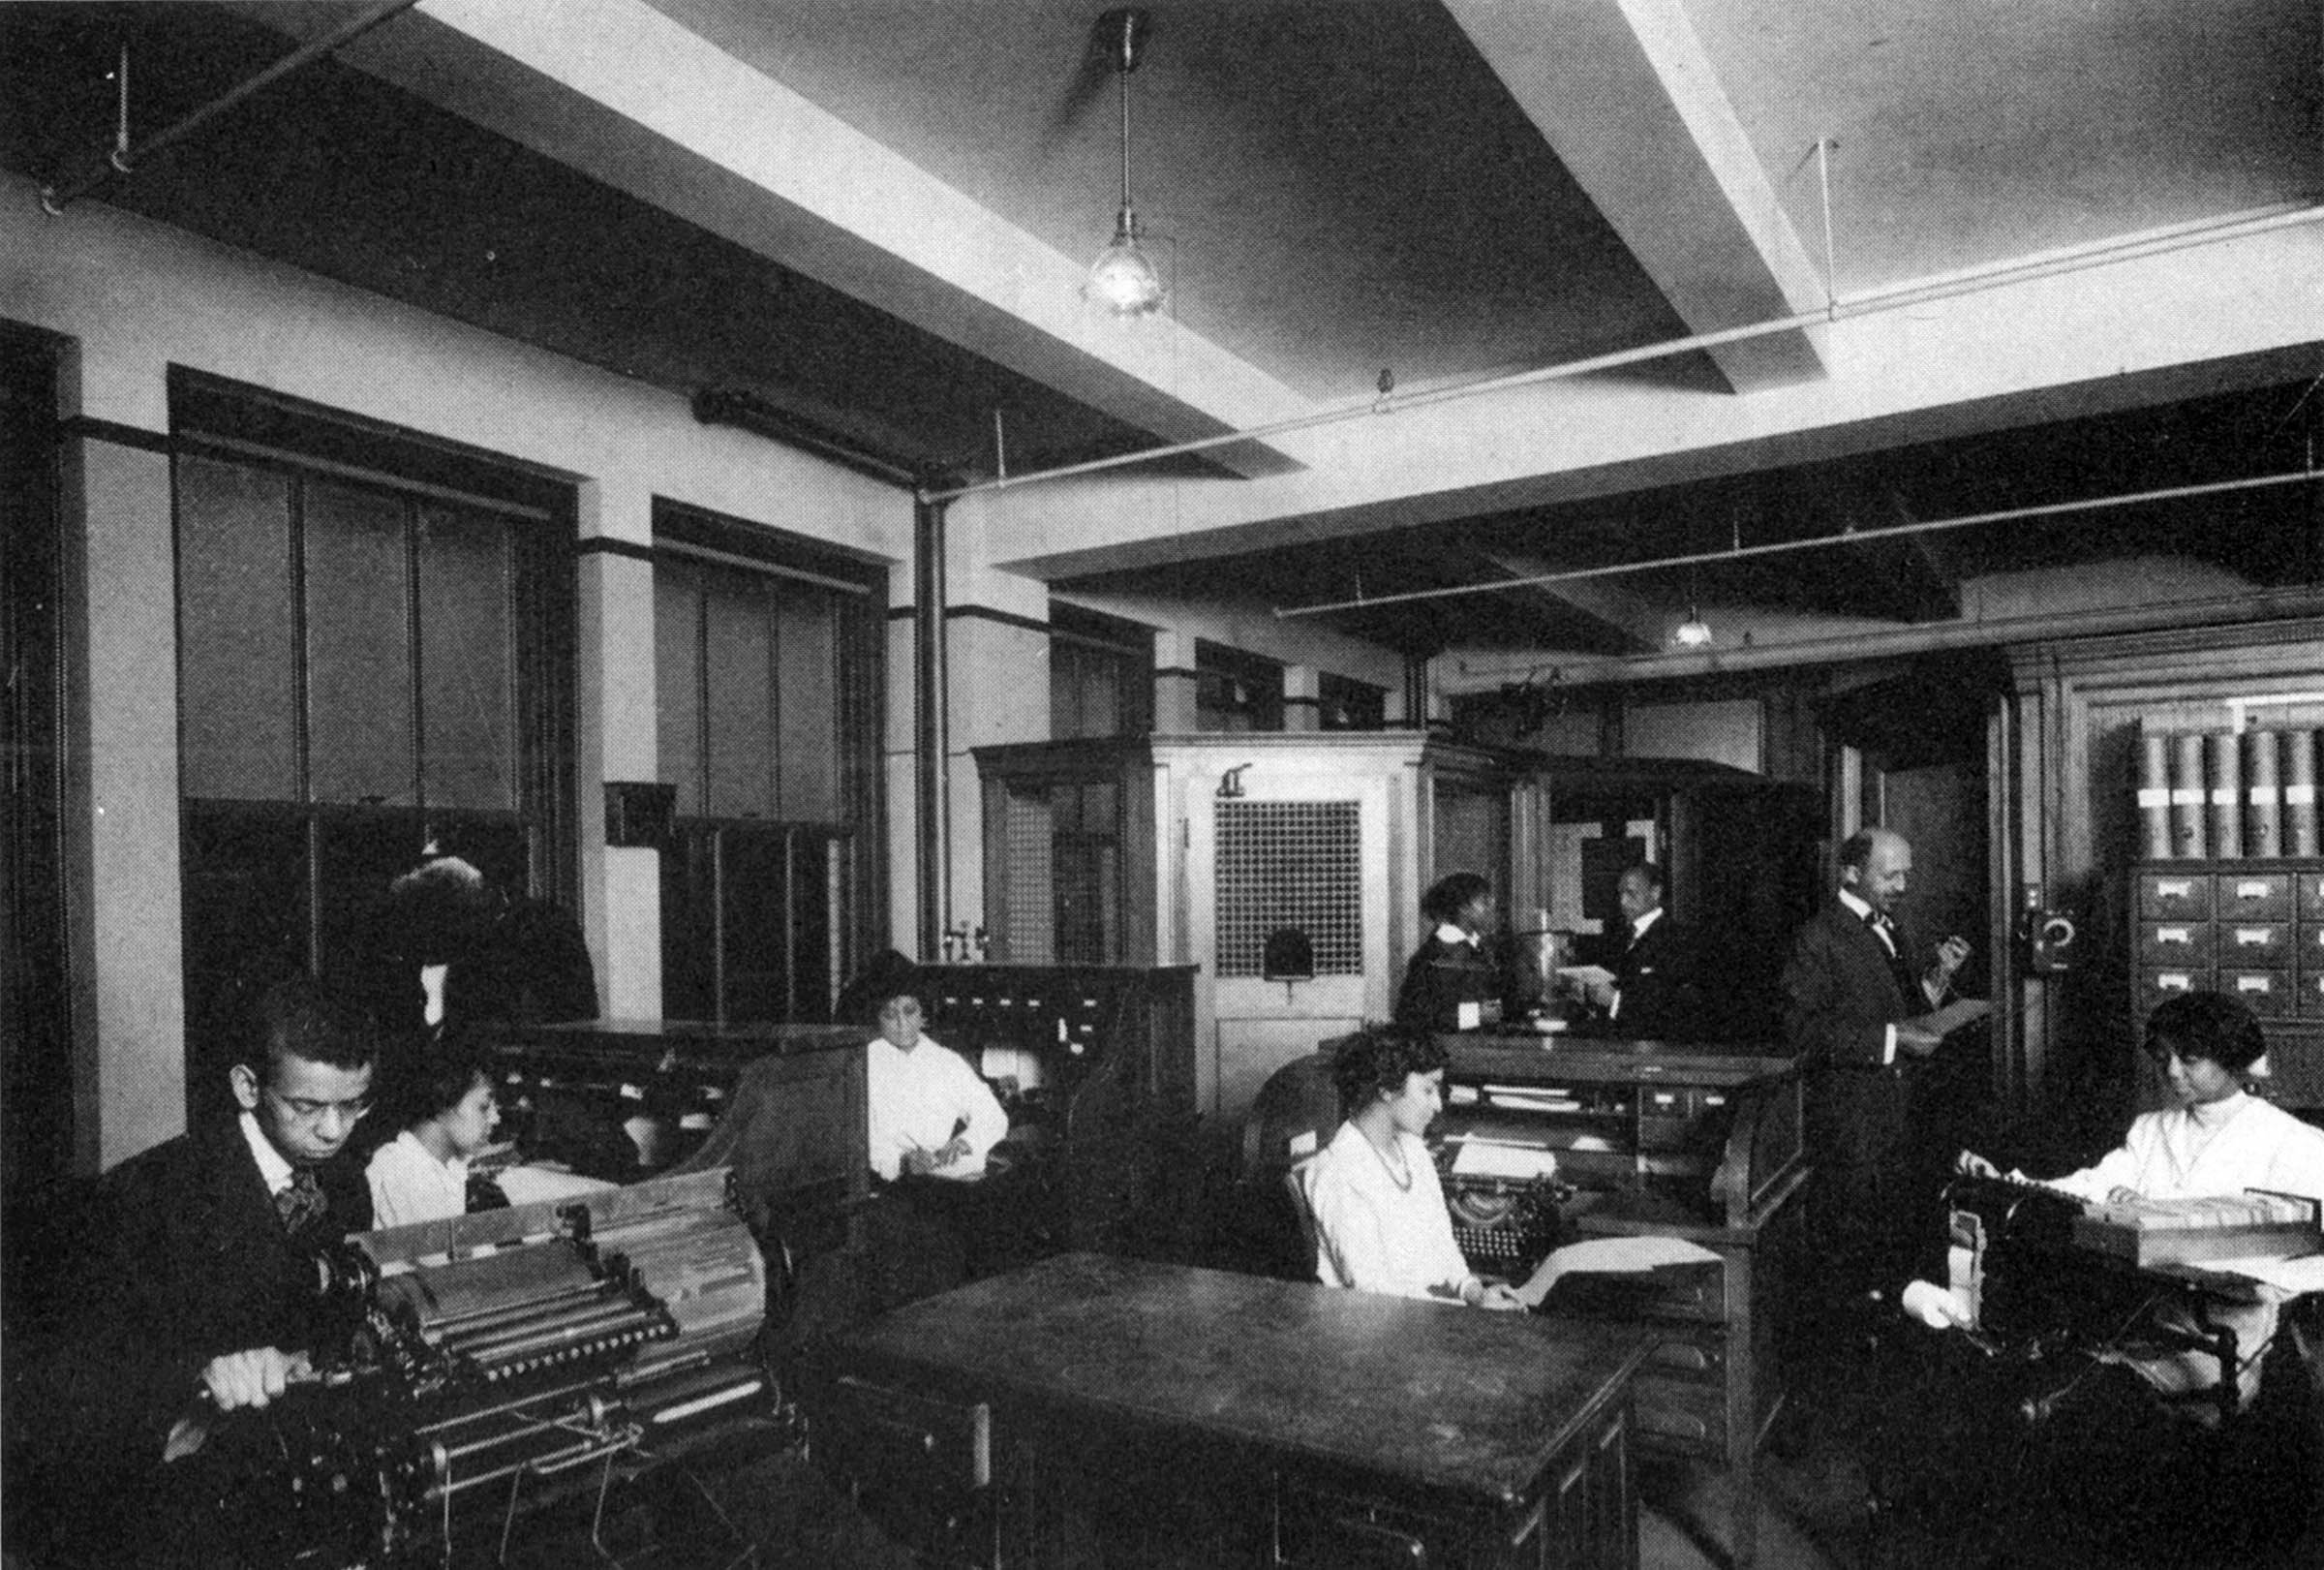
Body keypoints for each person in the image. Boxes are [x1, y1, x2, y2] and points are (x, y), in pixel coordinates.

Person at [1881, 992, 2324, 1563]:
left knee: (2090, 1408)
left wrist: (2215, 1259)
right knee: (2044, 1390)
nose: (2171, 1072)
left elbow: (2309, 1254)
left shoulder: (2293, 1143)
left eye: (2189, 1059)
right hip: (2136, 1310)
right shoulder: (2152, 1128)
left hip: (2227, 1326)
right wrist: (2012, 1181)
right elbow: (2090, 1184)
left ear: (2233, 1060)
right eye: (2163, 1057)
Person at [15, 975, 379, 1565]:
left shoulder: (346, 1183)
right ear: (247, 1086)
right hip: (171, 1512)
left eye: (353, 1105)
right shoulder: (145, 1198)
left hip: (296, 1497)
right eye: (307, 1107)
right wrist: (200, 1376)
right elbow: (69, 1382)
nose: (333, 1131)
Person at [1780, 827, 1972, 1304]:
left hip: (1900, 1117)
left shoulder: (1889, 927)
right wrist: (1892, 1038)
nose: (1902, 886)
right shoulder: (1817, 937)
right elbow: (1801, 1032)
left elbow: (1901, 1010)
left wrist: (1938, 976)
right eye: (1890, 875)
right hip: (1854, 1125)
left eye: (1906, 874)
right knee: (1855, 1254)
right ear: (1850, 873)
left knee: (1898, 1246)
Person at [1301, 1025, 1524, 1308]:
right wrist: (1466, 1311)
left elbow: (1443, 1245)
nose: (1438, 1104)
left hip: (1428, 1315)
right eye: (1428, 1090)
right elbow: (1373, 1289)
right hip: (1376, 1331)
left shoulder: (1413, 1150)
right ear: (1386, 1089)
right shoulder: (1337, 1172)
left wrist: (1475, 1292)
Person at [857, 951, 1009, 1185]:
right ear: (876, 1017)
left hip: (939, 1176)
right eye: (889, 1015)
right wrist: (901, 1161)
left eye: (910, 1012)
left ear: (922, 1014)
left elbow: (992, 1115)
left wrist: (965, 1142)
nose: (902, 1024)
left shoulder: (945, 1061)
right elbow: (855, 1140)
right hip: (882, 1182)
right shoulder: (862, 1063)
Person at [365, 1047, 506, 1228]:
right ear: (442, 1103)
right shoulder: (402, 1168)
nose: (496, 1118)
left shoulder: (449, 1164)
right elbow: (437, 1256)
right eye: (484, 1107)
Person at [1583, 862, 1702, 1040]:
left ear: (1655, 893)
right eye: (1620, 894)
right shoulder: (1616, 937)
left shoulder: (1679, 938)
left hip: (1657, 1049)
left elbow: (1676, 1006)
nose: (1623, 902)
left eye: (1631, 893)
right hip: (1613, 1046)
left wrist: (1616, 1001)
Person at [1393, 871, 1503, 1033]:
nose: (1492, 909)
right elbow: (1411, 1015)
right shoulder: (1431, 956)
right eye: (1485, 902)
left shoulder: (1482, 950)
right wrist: (1476, 1015)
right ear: (1464, 908)